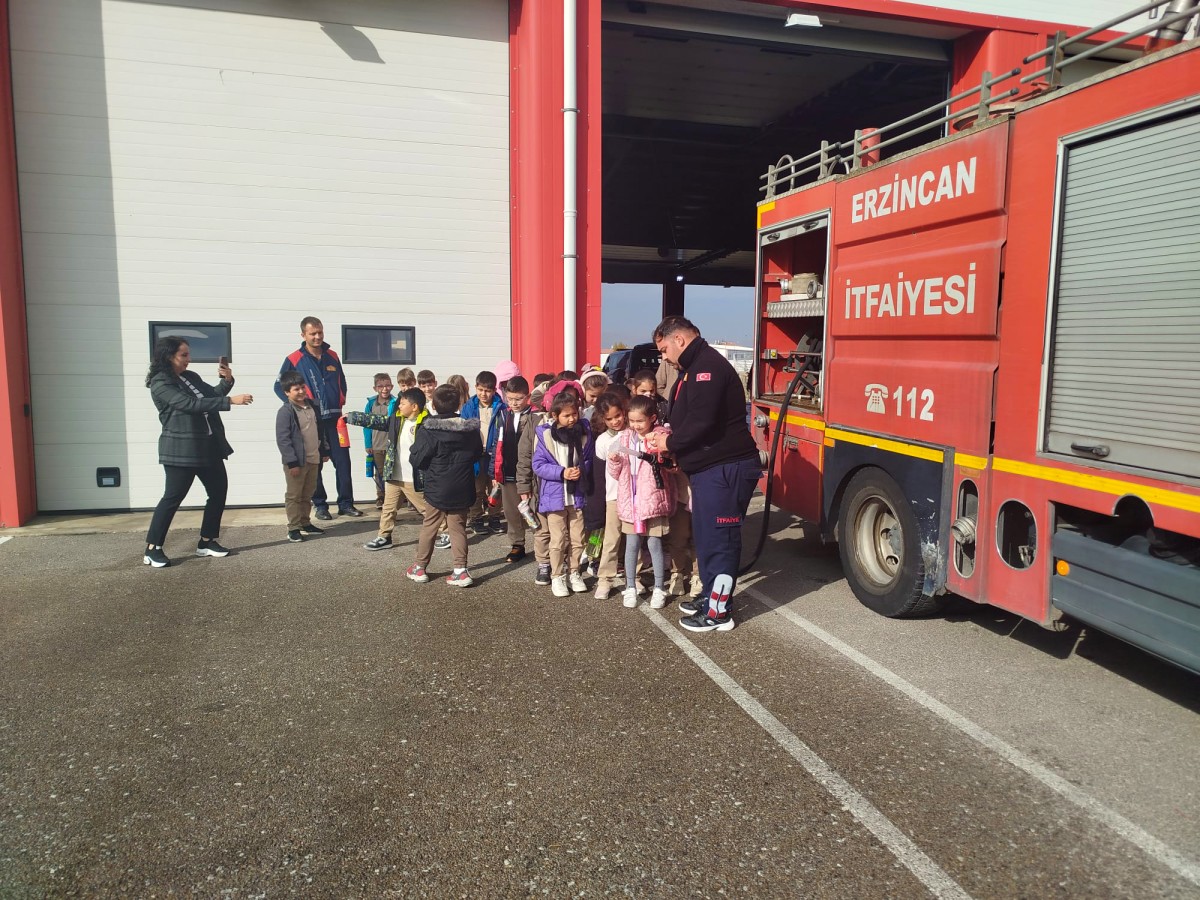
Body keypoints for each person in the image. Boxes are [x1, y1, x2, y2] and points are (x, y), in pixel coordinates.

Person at [644, 315, 760, 632]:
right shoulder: (694, 367)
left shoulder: (707, 368)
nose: (664, 357)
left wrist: (670, 442)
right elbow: (690, 421)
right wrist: (675, 449)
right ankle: (710, 596)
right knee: (708, 539)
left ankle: (718, 613)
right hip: (710, 469)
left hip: (725, 469)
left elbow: (702, 422)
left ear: (679, 340)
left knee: (720, 541)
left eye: (664, 349)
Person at [143, 336, 253, 567]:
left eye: (189, 354)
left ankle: (207, 541)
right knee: (173, 498)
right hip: (181, 450)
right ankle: (153, 548)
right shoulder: (160, 382)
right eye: (183, 355)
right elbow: (189, 404)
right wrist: (230, 401)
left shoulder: (190, 376)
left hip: (208, 447)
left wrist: (227, 380)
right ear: (168, 356)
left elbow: (210, 395)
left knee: (218, 492)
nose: (189, 359)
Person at [274, 317, 363, 520]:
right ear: (303, 335)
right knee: (315, 465)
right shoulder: (294, 359)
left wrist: (340, 398)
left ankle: (346, 504)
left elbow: (342, 382)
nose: (317, 337)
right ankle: (320, 506)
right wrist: (299, 407)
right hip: (312, 420)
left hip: (335, 419)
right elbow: (279, 386)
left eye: (320, 332)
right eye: (312, 333)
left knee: (343, 462)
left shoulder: (332, 355)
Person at [406, 384, 483, 587]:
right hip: (462, 485)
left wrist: (431, 467)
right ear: (458, 404)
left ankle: (420, 567)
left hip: (437, 486)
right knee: (457, 528)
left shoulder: (428, 429)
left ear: (434, 405)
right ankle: (460, 570)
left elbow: (417, 459)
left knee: (430, 526)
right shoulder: (470, 430)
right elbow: (477, 453)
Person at [608, 395, 675, 609]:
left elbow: (668, 465)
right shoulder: (625, 438)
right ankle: (630, 587)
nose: (635, 425)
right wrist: (614, 461)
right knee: (632, 544)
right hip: (631, 501)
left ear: (652, 418)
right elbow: (616, 473)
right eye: (632, 421)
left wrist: (658, 446)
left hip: (652, 500)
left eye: (640, 421)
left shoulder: (660, 436)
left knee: (655, 544)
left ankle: (659, 588)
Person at [345, 387, 429, 551]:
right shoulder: (396, 420)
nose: (399, 406)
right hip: (394, 475)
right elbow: (376, 420)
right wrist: (352, 417)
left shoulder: (426, 424)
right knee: (388, 508)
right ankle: (384, 537)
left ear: (414, 407)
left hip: (412, 477)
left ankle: (446, 532)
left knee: (426, 509)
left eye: (402, 403)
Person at [532, 390, 593, 598]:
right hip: (554, 496)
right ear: (555, 416)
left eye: (574, 413)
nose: (572, 419)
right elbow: (538, 465)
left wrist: (581, 469)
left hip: (577, 495)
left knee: (578, 538)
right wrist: (561, 472)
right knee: (558, 540)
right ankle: (557, 576)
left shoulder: (584, 433)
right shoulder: (545, 435)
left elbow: (589, 458)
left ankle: (574, 572)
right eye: (566, 415)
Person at [276, 371, 329, 543]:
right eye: (296, 389)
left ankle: (305, 523)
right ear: (287, 392)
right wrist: (292, 463)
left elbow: (320, 430)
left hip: (314, 458)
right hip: (297, 462)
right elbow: (283, 440)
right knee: (294, 495)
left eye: (302, 387)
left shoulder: (313, 406)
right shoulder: (286, 411)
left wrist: (324, 451)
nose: (301, 391)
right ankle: (293, 527)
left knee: (308, 493)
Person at [587, 392, 628, 600]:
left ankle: (635, 577)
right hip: (613, 496)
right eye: (609, 418)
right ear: (603, 419)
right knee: (611, 539)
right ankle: (605, 578)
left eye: (618, 415)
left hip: (635, 495)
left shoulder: (633, 433)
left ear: (624, 412)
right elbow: (599, 475)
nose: (615, 421)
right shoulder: (602, 441)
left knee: (635, 539)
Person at [494, 375, 534, 563]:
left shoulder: (535, 416)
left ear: (528, 397)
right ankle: (517, 543)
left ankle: (543, 543)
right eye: (510, 399)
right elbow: (497, 443)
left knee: (534, 509)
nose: (514, 403)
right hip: (508, 469)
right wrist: (494, 470)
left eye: (518, 399)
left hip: (530, 471)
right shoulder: (503, 415)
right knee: (511, 511)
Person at [461, 370, 505, 536]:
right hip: (476, 454)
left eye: (487, 390)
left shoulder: (501, 407)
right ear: (475, 387)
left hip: (495, 453)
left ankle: (494, 517)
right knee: (477, 489)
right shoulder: (469, 407)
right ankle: (476, 518)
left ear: (494, 390)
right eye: (480, 390)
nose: (483, 394)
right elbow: (464, 431)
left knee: (495, 488)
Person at [362, 373, 396, 509]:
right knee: (379, 473)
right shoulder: (371, 404)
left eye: (387, 385)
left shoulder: (395, 402)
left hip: (391, 444)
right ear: (375, 388)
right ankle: (381, 496)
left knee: (392, 472)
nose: (384, 389)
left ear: (392, 386)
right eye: (380, 386)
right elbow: (366, 425)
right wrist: (368, 444)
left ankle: (393, 498)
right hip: (376, 445)